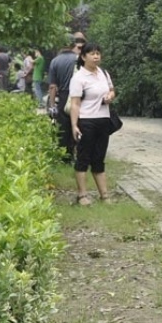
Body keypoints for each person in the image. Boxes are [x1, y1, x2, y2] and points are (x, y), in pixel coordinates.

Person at [69, 42, 116, 205]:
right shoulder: (79, 78)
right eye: (92, 54)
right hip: (86, 120)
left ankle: (104, 195)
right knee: (83, 157)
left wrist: (110, 95)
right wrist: (74, 125)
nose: (96, 56)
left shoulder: (103, 73)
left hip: (103, 119)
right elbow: (75, 103)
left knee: (99, 157)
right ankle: (82, 195)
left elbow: (111, 90)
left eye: (98, 53)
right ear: (83, 57)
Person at [47, 33, 87, 162]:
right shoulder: (78, 59)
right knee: (77, 125)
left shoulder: (55, 61)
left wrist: (52, 105)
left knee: (63, 128)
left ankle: (65, 157)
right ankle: (78, 154)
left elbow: (53, 86)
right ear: (73, 45)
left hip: (63, 96)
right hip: (78, 96)